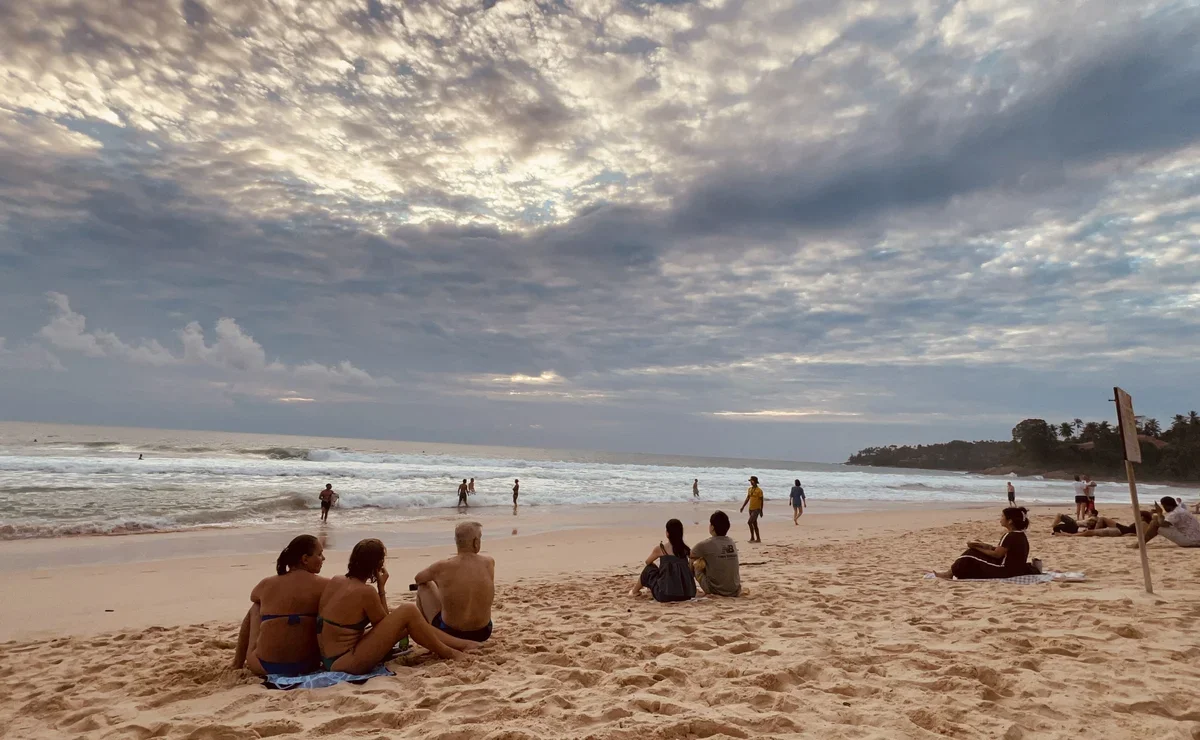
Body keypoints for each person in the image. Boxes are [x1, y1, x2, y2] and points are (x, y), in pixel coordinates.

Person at [317, 539, 478, 674]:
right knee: (408, 611)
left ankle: (461, 644)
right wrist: (381, 589)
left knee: (410, 619)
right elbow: (384, 626)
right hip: (346, 662)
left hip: (328, 659)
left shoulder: (337, 580)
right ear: (378, 564)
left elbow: (385, 625)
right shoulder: (366, 592)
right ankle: (450, 652)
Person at [232, 534, 328, 676]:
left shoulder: (266, 584)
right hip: (307, 666)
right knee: (327, 607)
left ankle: (236, 664)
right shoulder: (326, 585)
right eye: (319, 554)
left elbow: (254, 596)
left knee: (256, 607)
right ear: (305, 559)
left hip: (264, 667)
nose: (323, 558)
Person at [414, 522, 495, 642]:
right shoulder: (489, 562)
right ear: (475, 542)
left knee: (424, 586)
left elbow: (418, 578)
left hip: (450, 632)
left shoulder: (442, 567)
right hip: (483, 632)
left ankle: (431, 634)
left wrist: (439, 582)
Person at [931, 507, 1037, 580]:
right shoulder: (1020, 535)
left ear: (1010, 521)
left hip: (1005, 571)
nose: (1000, 518)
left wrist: (977, 549)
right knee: (974, 554)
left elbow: (997, 554)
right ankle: (954, 573)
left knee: (970, 554)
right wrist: (984, 545)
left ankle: (949, 574)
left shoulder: (1010, 535)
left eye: (1002, 516)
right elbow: (1003, 550)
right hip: (1015, 570)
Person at [630, 519, 697, 602]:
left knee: (649, 568)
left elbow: (647, 562)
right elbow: (692, 566)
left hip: (664, 595)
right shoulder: (686, 550)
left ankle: (634, 591)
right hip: (685, 595)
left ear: (667, 533)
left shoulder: (661, 549)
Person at [689, 511, 741, 597]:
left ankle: (689, 586)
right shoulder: (731, 542)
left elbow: (690, 555)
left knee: (695, 562)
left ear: (712, 527)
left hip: (715, 590)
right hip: (735, 589)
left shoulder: (705, 544)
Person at [1131, 497, 1200, 548]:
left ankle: (1140, 544)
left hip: (1189, 540)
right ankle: (1142, 542)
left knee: (1154, 523)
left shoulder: (1176, 513)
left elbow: (1162, 524)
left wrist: (1159, 513)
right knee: (1155, 521)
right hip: (1195, 538)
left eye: (1163, 506)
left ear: (1167, 506)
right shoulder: (1180, 510)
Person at [1063, 511, 1152, 537]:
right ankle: (1095, 530)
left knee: (1089, 533)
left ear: (1143, 517)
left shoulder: (1144, 523)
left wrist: (1130, 534)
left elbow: (1142, 535)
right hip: (1123, 528)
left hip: (1120, 531)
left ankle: (1070, 535)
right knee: (1102, 519)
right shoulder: (1142, 522)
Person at [739, 476, 764, 543]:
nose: (750, 482)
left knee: (749, 522)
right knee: (754, 523)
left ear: (755, 481)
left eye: (752, 481)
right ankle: (757, 538)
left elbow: (762, 501)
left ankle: (753, 537)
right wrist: (743, 506)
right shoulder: (749, 489)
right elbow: (747, 498)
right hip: (751, 509)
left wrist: (761, 510)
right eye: (750, 481)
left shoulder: (759, 491)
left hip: (757, 509)